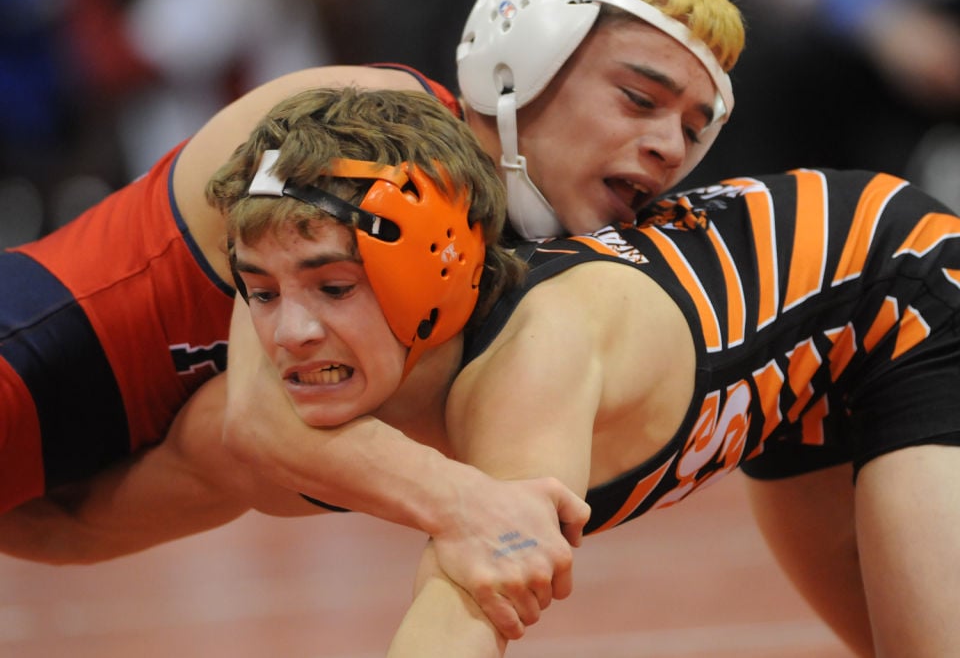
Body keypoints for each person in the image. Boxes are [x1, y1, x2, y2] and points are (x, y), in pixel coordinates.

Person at [8, 85, 959, 657]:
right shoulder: (286, 416)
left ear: (432, 274)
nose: (290, 333)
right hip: (788, 369)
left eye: (333, 285)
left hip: (898, 288)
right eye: (259, 291)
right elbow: (71, 525)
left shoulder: (535, 354)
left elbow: (466, 612)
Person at [0, 0, 743, 637]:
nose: (667, 149)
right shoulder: (373, 130)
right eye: (639, 99)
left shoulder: (499, 275)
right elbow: (258, 423)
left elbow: (91, 520)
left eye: (692, 126)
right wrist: (467, 502)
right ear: (525, 52)